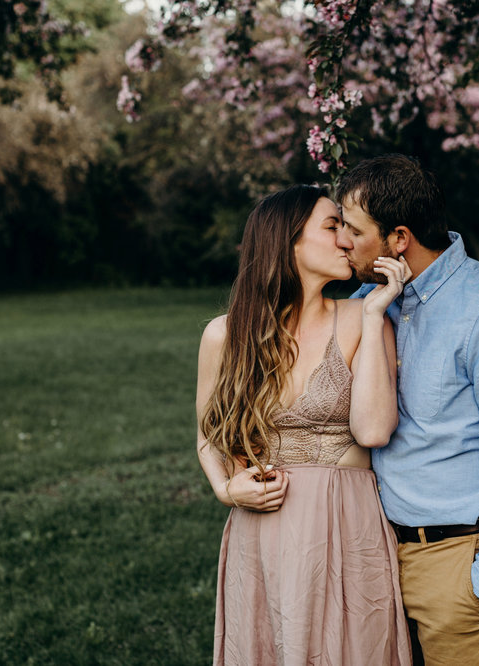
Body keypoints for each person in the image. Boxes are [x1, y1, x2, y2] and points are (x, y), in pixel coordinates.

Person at [335, 155, 479, 665]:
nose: (342, 239)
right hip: (384, 554)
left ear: (399, 239)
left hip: (461, 558)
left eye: (352, 228)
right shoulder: (374, 298)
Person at [195, 184, 414, 665]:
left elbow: (374, 431)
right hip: (263, 530)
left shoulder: (362, 317)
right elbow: (208, 438)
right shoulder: (224, 335)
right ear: (287, 242)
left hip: (347, 523)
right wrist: (226, 490)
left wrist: (377, 317)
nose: (346, 241)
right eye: (332, 226)